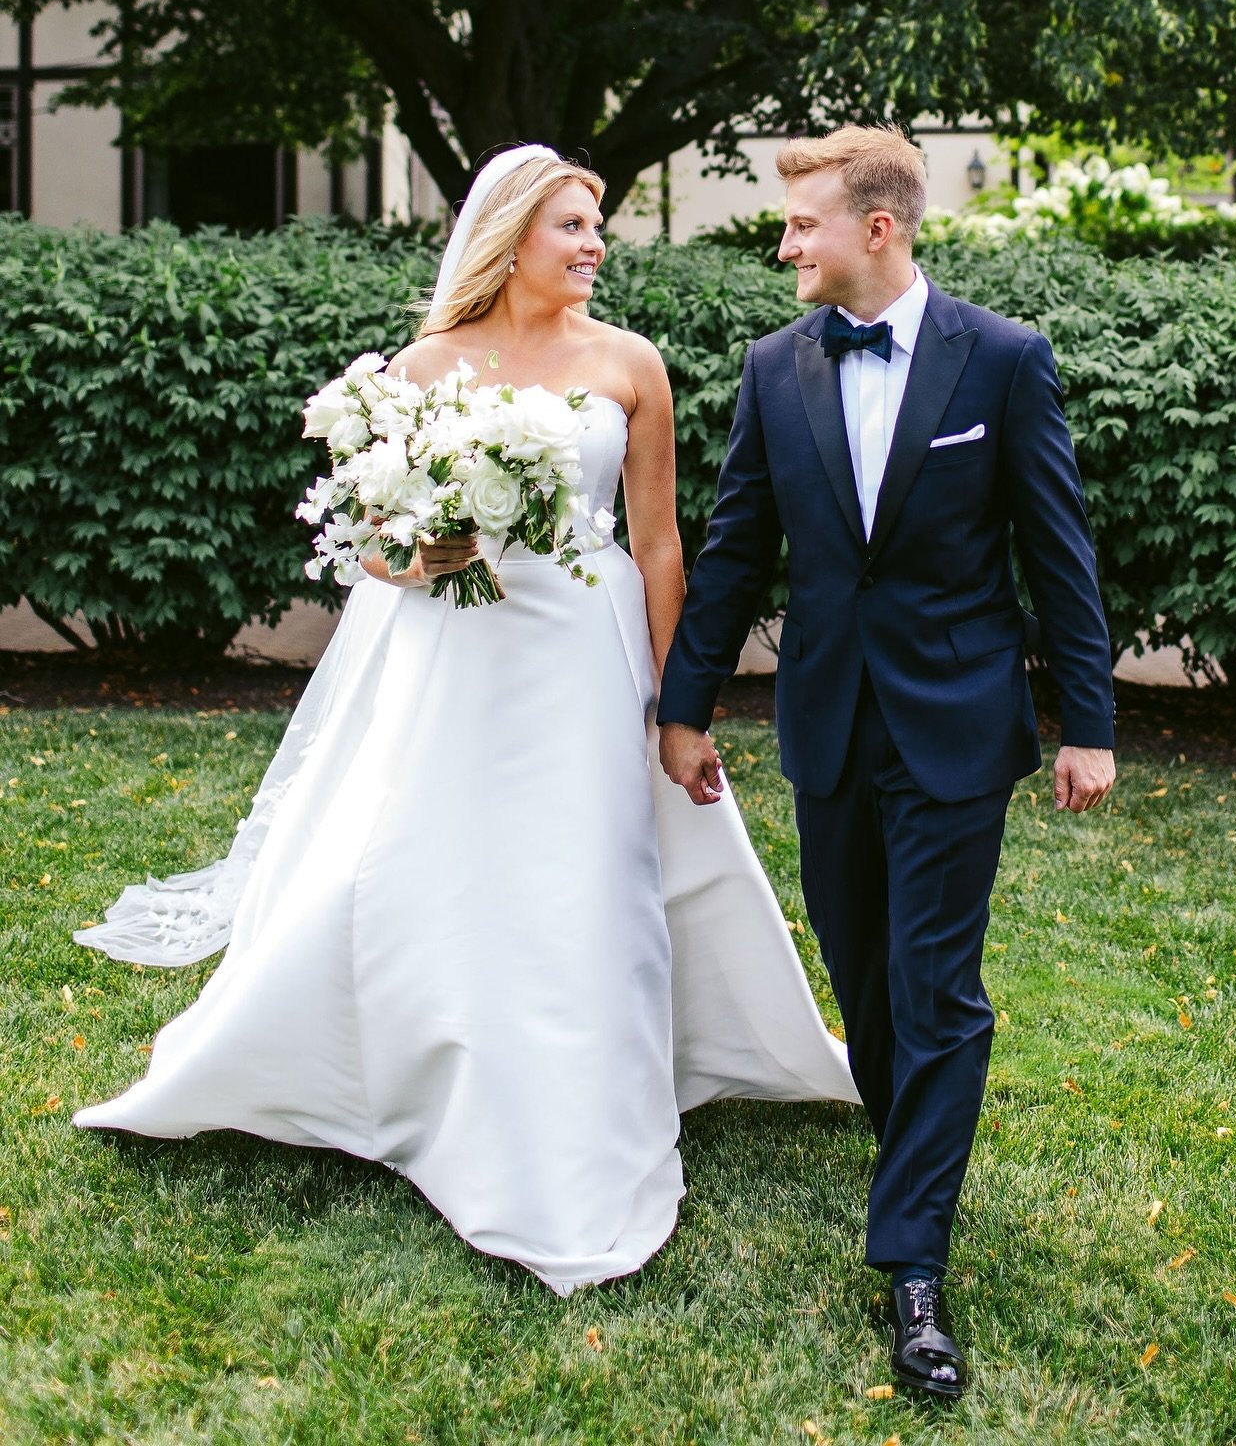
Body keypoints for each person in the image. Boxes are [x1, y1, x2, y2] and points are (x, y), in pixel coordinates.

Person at [74, 144, 857, 1295]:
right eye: (572, 227)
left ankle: (578, 1103)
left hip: (584, 662)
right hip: (457, 655)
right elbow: (375, 544)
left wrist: (675, 694)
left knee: (582, 876)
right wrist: (415, 550)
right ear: (507, 239)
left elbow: (657, 545)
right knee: (428, 863)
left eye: (598, 227)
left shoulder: (630, 364)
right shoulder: (426, 364)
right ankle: (411, 1071)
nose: (595, 246)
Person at [657, 125, 1116, 1396]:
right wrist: (684, 707)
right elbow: (738, 548)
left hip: (958, 722)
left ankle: (913, 1261)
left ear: (879, 227)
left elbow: (1057, 556)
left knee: (936, 990)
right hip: (828, 722)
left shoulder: (1005, 362)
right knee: (863, 978)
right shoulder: (771, 369)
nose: (783, 241)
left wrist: (1089, 723)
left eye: (802, 222)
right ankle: (909, 1143)